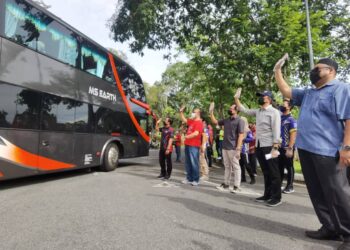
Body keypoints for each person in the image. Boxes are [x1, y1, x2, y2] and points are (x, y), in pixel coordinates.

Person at [274, 56, 350, 249]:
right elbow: (286, 90)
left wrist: (347, 148)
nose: (313, 72)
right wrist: (277, 71)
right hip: (307, 149)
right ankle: (330, 227)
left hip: (329, 151)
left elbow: (349, 119)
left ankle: (348, 234)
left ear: (330, 71)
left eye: (318, 69)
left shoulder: (341, 89)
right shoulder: (308, 93)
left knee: (337, 193)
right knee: (317, 192)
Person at [235, 88, 282, 207]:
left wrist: (275, 147)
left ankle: (276, 197)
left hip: (270, 146)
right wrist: (236, 99)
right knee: (265, 171)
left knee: (274, 171)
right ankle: (267, 194)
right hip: (259, 146)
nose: (260, 98)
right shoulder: (258, 111)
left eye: (263, 96)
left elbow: (276, 129)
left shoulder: (274, 112)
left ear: (269, 99)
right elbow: (244, 110)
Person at [209, 102, 244, 193]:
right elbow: (215, 121)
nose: (230, 109)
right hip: (225, 147)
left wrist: (238, 149)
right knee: (227, 166)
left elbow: (241, 135)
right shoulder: (226, 120)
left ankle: (237, 186)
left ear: (236, 111)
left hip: (233, 147)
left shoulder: (240, 121)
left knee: (236, 167)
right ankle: (226, 184)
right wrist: (211, 113)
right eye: (230, 108)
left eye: (231, 108)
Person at [179, 106, 203, 186]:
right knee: (188, 162)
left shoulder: (199, 122)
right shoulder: (192, 121)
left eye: (194, 112)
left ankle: (196, 179)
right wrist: (181, 112)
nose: (192, 113)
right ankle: (189, 178)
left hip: (194, 145)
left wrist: (186, 136)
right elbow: (184, 120)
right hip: (188, 144)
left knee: (194, 163)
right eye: (193, 112)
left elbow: (196, 133)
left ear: (198, 113)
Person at [278, 99, 297, 194]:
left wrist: (290, 148)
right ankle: (279, 184)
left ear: (289, 107)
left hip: (287, 148)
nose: (281, 105)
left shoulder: (291, 119)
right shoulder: (280, 118)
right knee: (280, 166)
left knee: (289, 166)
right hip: (279, 147)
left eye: (284, 103)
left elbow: (293, 134)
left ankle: (290, 186)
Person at [240, 117, 256, 184]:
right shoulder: (238, 128)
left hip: (244, 150)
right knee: (240, 165)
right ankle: (243, 178)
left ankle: (253, 178)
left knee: (247, 165)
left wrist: (244, 140)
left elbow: (251, 139)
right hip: (238, 149)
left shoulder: (247, 130)